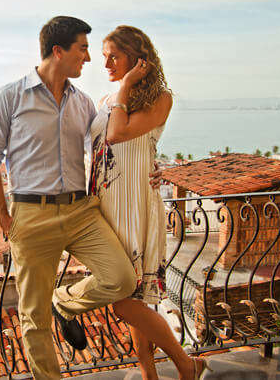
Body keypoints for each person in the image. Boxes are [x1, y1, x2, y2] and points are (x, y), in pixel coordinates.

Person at [0, 16, 139, 379]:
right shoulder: (10, 98)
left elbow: (104, 147)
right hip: (30, 215)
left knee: (121, 278)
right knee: (33, 317)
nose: (88, 58)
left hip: (81, 211)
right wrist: (2, 214)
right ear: (58, 50)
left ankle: (64, 301)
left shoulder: (82, 103)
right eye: (82, 49)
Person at [89, 25, 209, 380]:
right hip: (105, 204)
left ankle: (186, 365)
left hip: (134, 206)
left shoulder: (161, 98)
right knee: (132, 301)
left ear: (137, 59)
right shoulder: (102, 101)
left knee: (126, 298)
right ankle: (153, 375)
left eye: (114, 56)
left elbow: (117, 133)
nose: (106, 63)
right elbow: (97, 148)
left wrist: (124, 86)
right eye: (104, 56)